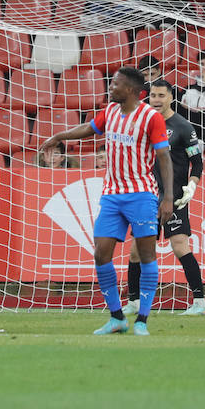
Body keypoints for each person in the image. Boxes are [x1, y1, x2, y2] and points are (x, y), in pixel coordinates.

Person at [39, 67, 173, 336]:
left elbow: (164, 158)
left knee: (146, 254)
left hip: (141, 194)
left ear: (133, 91)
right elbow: (90, 128)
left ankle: (142, 320)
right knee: (101, 252)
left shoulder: (150, 118)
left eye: (116, 84)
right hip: (112, 194)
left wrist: (167, 197)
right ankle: (116, 317)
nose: (111, 88)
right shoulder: (110, 111)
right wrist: (60, 136)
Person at [123, 81, 205, 317]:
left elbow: (197, 162)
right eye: (153, 95)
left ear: (171, 97)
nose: (157, 99)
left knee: (180, 246)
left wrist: (192, 185)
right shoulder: (143, 124)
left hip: (174, 197)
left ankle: (200, 302)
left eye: (161, 95)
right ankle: (134, 302)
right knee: (136, 251)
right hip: (147, 196)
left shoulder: (182, 127)